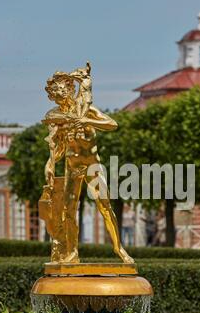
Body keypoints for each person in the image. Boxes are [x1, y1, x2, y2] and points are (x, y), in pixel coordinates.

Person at [41, 67, 134, 264]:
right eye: (54, 92)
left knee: (105, 206)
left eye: (60, 89)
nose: (57, 94)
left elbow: (112, 124)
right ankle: (72, 253)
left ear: (69, 87)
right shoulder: (56, 117)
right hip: (72, 168)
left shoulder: (86, 108)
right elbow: (57, 148)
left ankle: (119, 249)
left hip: (93, 166)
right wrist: (50, 163)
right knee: (69, 211)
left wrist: (86, 120)